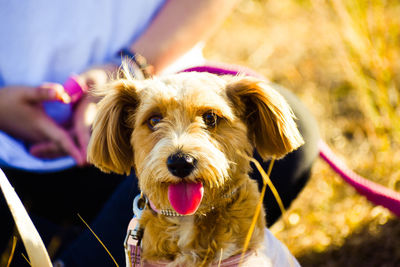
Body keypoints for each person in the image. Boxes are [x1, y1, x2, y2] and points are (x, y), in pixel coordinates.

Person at [0, 0, 319, 266]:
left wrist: (130, 63)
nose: (181, 148)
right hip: (8, 159)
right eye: (154, 121)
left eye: (210, 119)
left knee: (296, 135)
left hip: (156, 73)